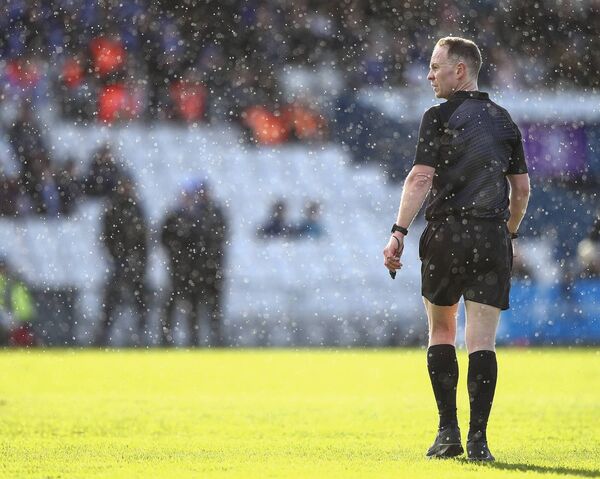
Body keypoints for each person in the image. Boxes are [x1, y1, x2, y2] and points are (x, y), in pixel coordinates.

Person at [382, 37, 530, 461]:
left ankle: (448, 432)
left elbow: (419, 179)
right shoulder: (504, 121)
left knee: (442, 330)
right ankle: (479, 441)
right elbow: (520, 189)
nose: (429, 75)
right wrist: (510, 231)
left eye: (434, 67)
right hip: (491, 237)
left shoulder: (438, 117)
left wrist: (398, 231)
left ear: (459, 71)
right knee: (482, 341)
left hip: (447, 234)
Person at [161, 180, 227, 347]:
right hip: (183, 269)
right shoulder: (177, 217)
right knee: (186, 306)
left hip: (206, 269)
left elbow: (215, 239)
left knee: (209, 307)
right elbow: (167, 239)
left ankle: (212, 339)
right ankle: (175, 339)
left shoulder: (210, 214)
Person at [95, 176, 149, 346]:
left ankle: (140, 334)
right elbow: (107, 236)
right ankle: (104, 335)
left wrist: (139, 259)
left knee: (140, 300)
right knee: (112, 301)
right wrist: (118, 256)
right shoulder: (114, 208)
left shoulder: (136, 208)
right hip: (119, 261)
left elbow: (143, 237)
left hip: (134, 262)